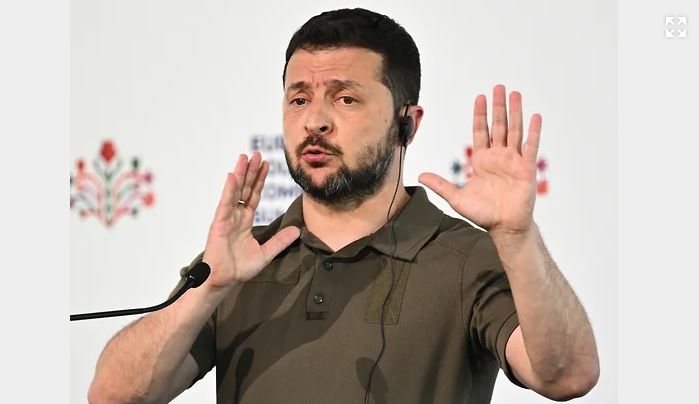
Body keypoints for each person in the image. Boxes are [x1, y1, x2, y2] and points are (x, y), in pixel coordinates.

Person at [87, 8, 599, 404]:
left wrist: (517, 238)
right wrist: (210, 289)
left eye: (345, 98)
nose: (315, 121)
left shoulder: (467, 257)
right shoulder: (243, 260)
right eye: (299, 98)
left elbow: (567, 376)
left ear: (407, 123)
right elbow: (113, 395)